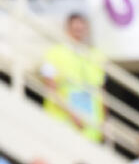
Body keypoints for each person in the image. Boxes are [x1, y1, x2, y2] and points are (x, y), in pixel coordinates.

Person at [40, 13, 104, 143]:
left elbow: (101, 91)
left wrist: (103, 122)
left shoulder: (95, 55)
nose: (78, 33)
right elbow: (50, 86)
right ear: (67, 30)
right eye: (75, 29)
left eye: (81, 29)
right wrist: (72, 115)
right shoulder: (54, 53)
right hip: (63, 122)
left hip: (91, 127)